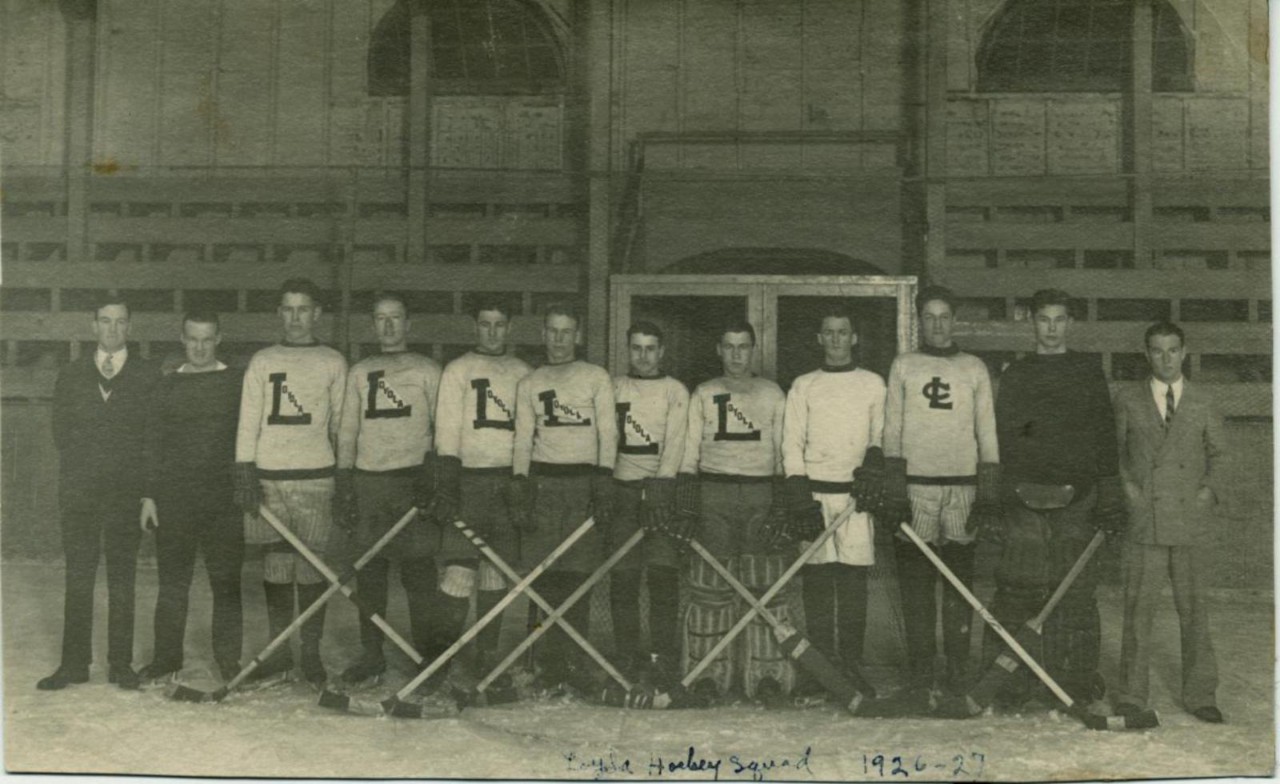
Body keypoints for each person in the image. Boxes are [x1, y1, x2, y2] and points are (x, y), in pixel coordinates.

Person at [989, 288, 1125, 708]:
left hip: (1078, 497)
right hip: (1023, 496)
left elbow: (1104, 434)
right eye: (1043, 319)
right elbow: (1003, 438)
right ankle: (1012, 681)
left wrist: (1108, 493)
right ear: (1032, 322)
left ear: (1070, 323)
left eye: (1059, 319)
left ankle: (1075, 680)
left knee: (1076, 592)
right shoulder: (1016, 373)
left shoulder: (1087, 370)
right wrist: (1000, 494)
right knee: (1018, 589)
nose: (1051, 328)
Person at [881, 286, 999, 704]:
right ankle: (920, 671)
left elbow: (986, 431)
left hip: (962, 488)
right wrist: (895, 487)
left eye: (944, 316)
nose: (937, 324)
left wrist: (987, 490)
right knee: (915, 584)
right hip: (916, 488)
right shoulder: (904, 365)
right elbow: (891, 429)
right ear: (919, 321)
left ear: (954, 320)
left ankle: (956, 669)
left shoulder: (973, 368)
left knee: (958, 584)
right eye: (928, 317)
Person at [40, 297, 159, 691]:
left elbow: (151, 440)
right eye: (105, 322)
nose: (112, 329)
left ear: (130, 327)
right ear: (93, 326)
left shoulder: (146, 375)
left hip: (125, 497)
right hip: (81, 494)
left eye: (120, 322)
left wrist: (144, 492)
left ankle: (120, 664)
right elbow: (61, 433)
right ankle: (74, 663)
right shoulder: (71, 374)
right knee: (79, 578)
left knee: (122, 579)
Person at [233, 278, 347, 688]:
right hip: (270, 477)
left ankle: (311, 654)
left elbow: (339, 424)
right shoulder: (263, 361)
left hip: (316, 477)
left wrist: (343, 472)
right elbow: (249, 420)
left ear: (317, 314)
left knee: (313, 567)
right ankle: (279, 652)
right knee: (277, 564)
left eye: (304, 309)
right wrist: (244, 469)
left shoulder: (333, 361)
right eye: (288, 309)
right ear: (279, 314)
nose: (296, 318)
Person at [1113, 322, 1227, 723]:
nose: (1165, 358)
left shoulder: (1203, 401)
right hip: (1146, 521)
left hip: (1190, 522)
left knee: (1194, 611)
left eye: (1172, 350)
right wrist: (1128, 492)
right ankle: (1130, 694)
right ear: (1146, 354)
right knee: (1137, 611)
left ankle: (1200, 695)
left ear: (1184, 352)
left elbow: (1222, 456)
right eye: (1157, 351)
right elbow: (1115, 457)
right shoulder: (1128, 399)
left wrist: (1206, 493)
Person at [335, 293, 443, 687]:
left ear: (409, 324)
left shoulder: (428, 369)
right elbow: (347, 429)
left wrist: (433, 471)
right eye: (380, 319)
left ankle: (428, 655)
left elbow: (442, 427)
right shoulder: (360, 372)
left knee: (419, 574)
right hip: (370, 482)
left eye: (396, 318)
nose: (388, 326)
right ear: (373, 324)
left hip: (412, 482)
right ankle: (372, 654)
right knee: (370, 575)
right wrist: (345, 478)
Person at [677, 321, 789, 701]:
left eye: (744, 347)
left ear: (753, 350)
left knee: (766, 589)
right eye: (729, 346)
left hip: (761, 494)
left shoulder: (772, 393)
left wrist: (782, 501)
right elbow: (690, 449)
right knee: (711, 589)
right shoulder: (705, 393)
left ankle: (767, 677)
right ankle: (708, 676)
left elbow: (783, 450)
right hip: (714, 492)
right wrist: (688, 501)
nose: (737, 354)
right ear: (719, 350)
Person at [511, 304, 617, 691]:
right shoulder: (531, 381)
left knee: (577, 574)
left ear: (578, 336)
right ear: (543, 335)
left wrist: (604, 477)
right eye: (552, 331)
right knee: (545, 576)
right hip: (544, 483)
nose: (558, 339)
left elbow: (609, 433)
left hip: (584, 483)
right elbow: (523, 438)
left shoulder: (594, 377)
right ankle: (546, 662)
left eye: (566, 331)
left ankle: (573, 660)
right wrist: (520, 482)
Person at [782, 307, 884, 701]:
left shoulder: (873, 384)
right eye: (830, 332)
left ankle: (851, 665)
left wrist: (874, 463)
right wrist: (797, 491)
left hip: (857, 496)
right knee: (819, 582)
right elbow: (792, 440)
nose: (837, 339)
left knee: (853, 581)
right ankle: (819, 669)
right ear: (819, 339)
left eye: (844, 332)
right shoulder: (804, 385)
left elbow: (881, 433)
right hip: (815, 494)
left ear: (854, 338)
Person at [137, 312, 244, 685]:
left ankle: (229, 660)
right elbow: (151, 444)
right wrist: (149, 495)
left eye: (207, 339)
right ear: (182, 339)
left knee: (226, 582)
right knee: (173, 583)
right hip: (175, 498)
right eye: (193, 339)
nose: (200, 347)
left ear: (219, 338)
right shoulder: (165, 386)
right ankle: (166, 659)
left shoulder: (236, 382)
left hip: (223, 499)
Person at [432, 299, 532, 680]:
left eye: (500, 324)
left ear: (510, 328)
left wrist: (521, 480)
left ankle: (486, 656)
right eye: (485, 324)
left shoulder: (523, 372)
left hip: (506, 482)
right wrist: (447, 481)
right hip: (467, 480)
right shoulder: (458, 370)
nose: (493, 332)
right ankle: (439, 659)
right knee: (459, 571)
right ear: (474, 327)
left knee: (495, 572)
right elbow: (447, 430)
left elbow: (525, 434)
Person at [609, 321, 689, 687]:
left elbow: (674, 443)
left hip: (660, 492)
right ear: (628, 350)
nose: (644, 356)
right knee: (623, 577)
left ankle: (661, 656)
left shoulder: (675, 391)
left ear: (662, 352)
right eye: (637, 348)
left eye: (650, 348)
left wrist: (660, 489)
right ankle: (627, 654)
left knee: (662, 575)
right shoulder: (614, 388)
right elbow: (606, 440)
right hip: (623, 491)